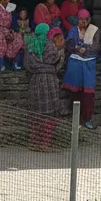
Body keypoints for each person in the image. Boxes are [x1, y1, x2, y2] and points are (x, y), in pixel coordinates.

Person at [25, 22, 62, 150]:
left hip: (35, 80)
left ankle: (33, 142)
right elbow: (56, 61)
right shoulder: (50, 45)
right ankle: (45, 143)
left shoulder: (30, 45)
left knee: (36, 112)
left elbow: (28, 65)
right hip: (49, 80)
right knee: (49, 112)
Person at [63, 8, 100, 128]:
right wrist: (77, 48)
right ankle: (76, 119)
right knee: (75, 91)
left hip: (89, 63)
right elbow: (68, 44)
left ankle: (87, 118)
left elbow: (97, 46)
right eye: (80, 20)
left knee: (88, 93)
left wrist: (87, 50)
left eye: (85, 20)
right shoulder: (73, 30)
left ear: (89, 20)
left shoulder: (94, 30)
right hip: (76, 61)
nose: (83, 22)